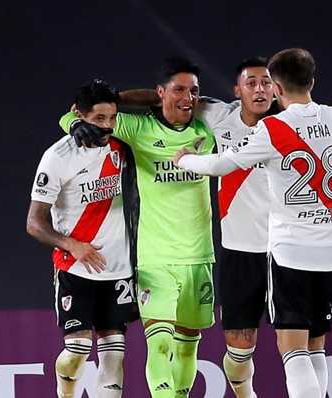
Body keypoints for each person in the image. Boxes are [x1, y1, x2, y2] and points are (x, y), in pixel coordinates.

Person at [173, 48, 332, 398]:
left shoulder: (273, 128)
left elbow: (222, 165)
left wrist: (187, 159)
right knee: (316, 344)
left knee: (292, 348)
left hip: (291, 252)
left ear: (276, 87)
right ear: (312, 81)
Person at [60, 57, 216, 398]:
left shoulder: (208, 126)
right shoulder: (139, 128)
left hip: (200, 256)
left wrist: (179, 97)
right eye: (178, 90)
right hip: (155, 257)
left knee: (188, 349)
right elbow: (76, 116)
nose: (188, 97)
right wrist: (77, 124)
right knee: (160, 345)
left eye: (194, 90)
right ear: (159, 93)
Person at [26, 80, 138, 398]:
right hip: (75, 268)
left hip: (119, 269)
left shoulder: (123, 145)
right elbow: (34, 223)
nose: (107, 126)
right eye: (99, 118)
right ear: (79, 115)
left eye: (112, 118)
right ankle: (66, 393)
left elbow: (158, 102)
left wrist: (121, 100)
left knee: (114, 356)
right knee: (77, 351)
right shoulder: (57, 157)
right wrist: (71, 244)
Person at [193, 56, 275, 398]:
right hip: (240, 252)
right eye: (252, 83)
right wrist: (113, 102)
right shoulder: (219, 115)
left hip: (286, 251)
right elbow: (169, 98)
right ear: (237, 91)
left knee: (299, 340)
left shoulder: (290, 124)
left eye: (266, 82)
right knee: (240, 345)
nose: (260, 89)